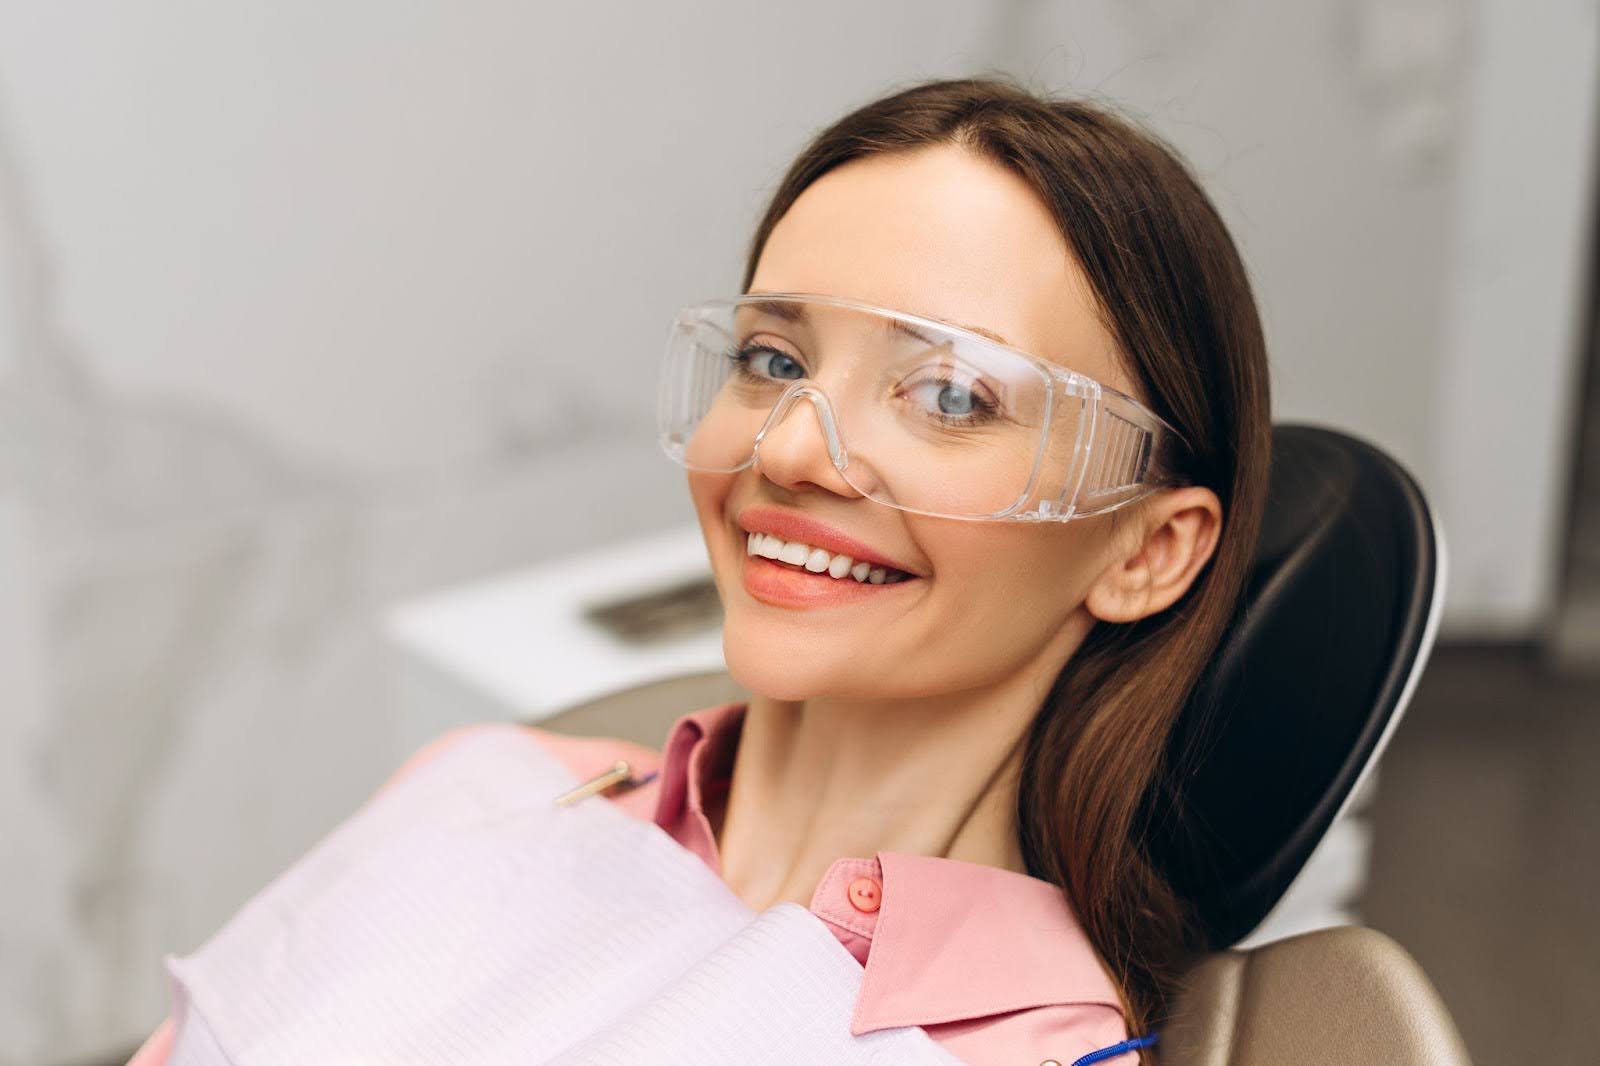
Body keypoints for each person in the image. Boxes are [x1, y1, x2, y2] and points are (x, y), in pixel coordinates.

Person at [129, 75, 1270, 1066]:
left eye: (952, 395)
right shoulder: (492, 789)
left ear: (1146, 551)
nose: (787, 447)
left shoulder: (1028, 1050)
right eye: (773, 360)